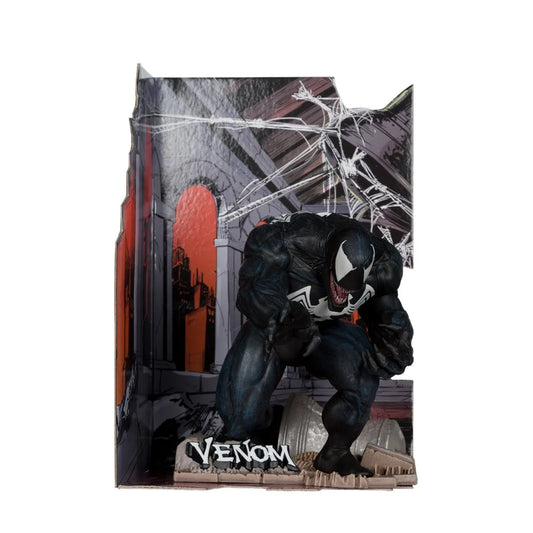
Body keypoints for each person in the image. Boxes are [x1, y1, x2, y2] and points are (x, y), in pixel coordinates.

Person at [215, 212, 413, 476]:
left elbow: (387, 311)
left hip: (324, 333)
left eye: (353, 288)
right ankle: (244, 436)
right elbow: (254, 291)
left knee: (365, 368)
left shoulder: (383, 267)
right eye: (340, 283)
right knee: (241, 413)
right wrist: (282, 317)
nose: (345, 295)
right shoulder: (287, 242)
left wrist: (395, 341)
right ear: (328, 262)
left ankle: (335, 453)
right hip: (276, 329)